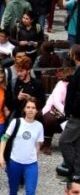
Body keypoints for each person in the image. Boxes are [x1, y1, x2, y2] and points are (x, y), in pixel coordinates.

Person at [0, 96, 42, 195]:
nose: (30, 110)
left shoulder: (39, 126)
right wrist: (1, 156)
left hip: (31, 164)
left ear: (37, 110)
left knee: (30, 191)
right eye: (28, 107)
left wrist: (34, 156)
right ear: (24, 109)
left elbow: (38, 144)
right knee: (13, 190)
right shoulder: (16, 122)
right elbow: (4, 138)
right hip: (14, 162)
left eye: (33, 108)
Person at [62, 44, 80, 180]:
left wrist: (72, 109)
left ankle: (72, 168)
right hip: (76, 113)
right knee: (78, 145)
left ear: (74, 55)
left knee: (64, 141)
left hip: (77, 115)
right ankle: (77, 173)